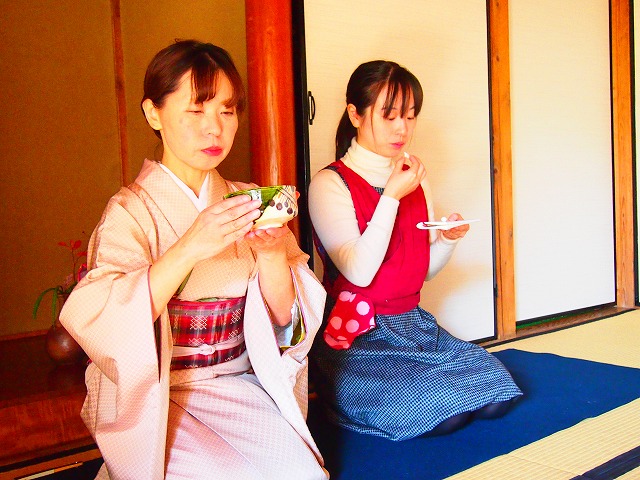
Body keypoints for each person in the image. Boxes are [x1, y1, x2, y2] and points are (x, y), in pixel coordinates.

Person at [60, 39, 329, 479]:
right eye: (196, 110)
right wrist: (189, 247)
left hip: (237, 383)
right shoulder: (130, 213)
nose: (215, 129)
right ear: (153, 113)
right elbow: (103, 323)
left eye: (227, 111)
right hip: (158, 396)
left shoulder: (246, 200)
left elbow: (287, 324)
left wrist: (269, 254)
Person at [308, 59, 522, 441]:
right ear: (355, 115)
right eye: (389, 115)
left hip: (412, 325)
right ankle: (339, 400)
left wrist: (447, 240)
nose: (402, 128)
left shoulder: (414, 181)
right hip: (357, 336)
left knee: (497, 388)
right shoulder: (330, 183)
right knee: (442, 412)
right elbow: (358, 272)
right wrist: (391, 196)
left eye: (410, 116)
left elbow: (420, 272)